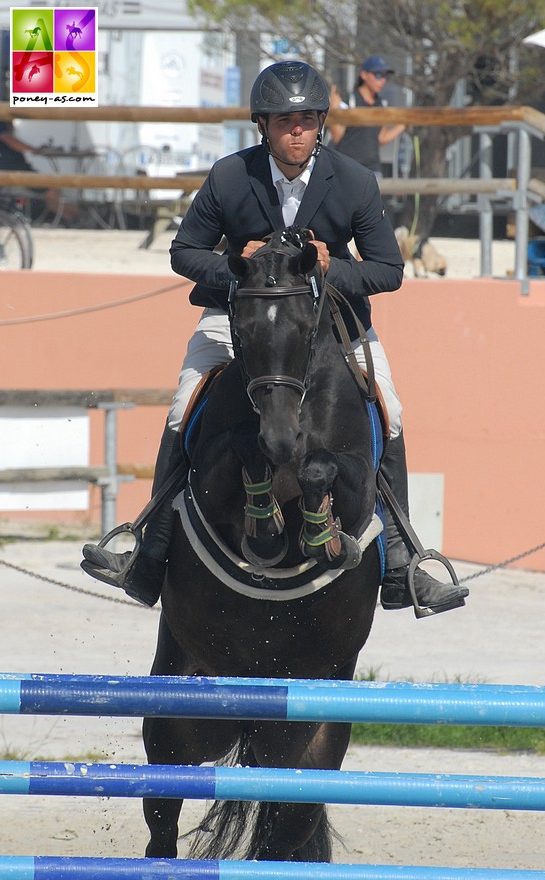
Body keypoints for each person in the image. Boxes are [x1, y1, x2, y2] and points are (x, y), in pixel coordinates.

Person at [81, 60, 468, 616]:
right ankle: (148, 546)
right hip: (239, 317)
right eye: (285, 120)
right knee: (181, 405)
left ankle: (404, 561)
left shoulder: (354, 181)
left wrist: (328, 271)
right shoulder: (230, 175)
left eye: (308, 120)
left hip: (331, 321)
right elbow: (183, 251)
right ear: (262, 125)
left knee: (391, 409)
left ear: (320, 125)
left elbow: (388, 269)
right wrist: (235, 266)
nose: (297, 131)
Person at [328, 55, 406, 178]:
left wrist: (402, 125)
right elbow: (337, 137)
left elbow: (381, 138)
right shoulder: (349, 100)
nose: (383, 80)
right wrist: (334, 111)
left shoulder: (380, 104)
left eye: (385, 76)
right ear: (364, 75)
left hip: (372, 168)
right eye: (378, 75)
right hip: (347, 167)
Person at [0, 120, 74, 222]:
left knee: (52, 189)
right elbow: (7, 139)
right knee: (51, 190)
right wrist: (33, 149)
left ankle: (70, 217)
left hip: (18, 169)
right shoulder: (2, 123)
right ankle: (72, 217)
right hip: (16, 170)